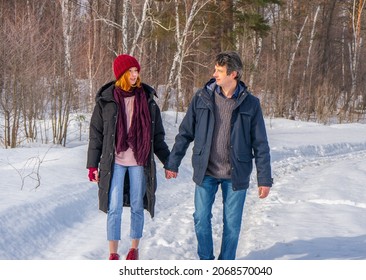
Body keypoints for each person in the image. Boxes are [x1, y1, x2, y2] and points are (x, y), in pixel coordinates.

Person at [164, 51, 273, 260]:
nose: (214, 74)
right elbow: (185, 132)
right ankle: (206, 261)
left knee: (232, 225)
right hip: (206, 170)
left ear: (234, 74)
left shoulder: (251, 104)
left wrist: (264, 179)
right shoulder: (202, 97)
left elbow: (261, 144)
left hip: (235, 174)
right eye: (215, 69)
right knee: (201, 218)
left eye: (220, 71)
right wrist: (173, 163)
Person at [86, 54, 170, 260]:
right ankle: (113, 253)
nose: (134, 75)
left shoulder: (148, 101)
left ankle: (134, 249)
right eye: (130, 72)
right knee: (113, 206)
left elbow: (157, 137)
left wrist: (169, 161)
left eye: (136, 71)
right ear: (121, 74)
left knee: (137, 204)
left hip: (139, 162)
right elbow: (96, 135)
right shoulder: (106, 102)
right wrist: (92, 165)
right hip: (115, 162)